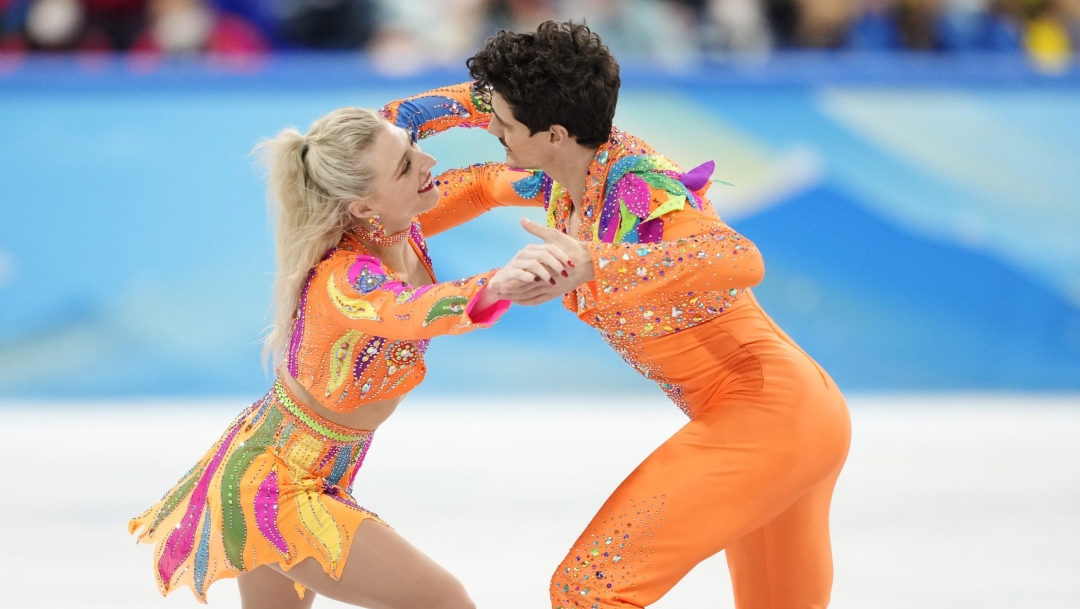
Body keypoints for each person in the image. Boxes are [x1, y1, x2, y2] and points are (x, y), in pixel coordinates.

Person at [381, 21, 852, 609]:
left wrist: (597, 263)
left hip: (773, 415)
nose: (489, 126)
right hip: (790, 416)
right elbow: (475, 180)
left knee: (591, 587)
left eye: (501, 123)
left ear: (553, 132)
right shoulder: (563, 165)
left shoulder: (640, 190)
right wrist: (390, 145)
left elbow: (738, 257)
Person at [128, 106, 561, 608]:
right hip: (277, 487)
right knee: (444, 602)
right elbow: (407, 310)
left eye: (411, 146)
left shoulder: (403, 223)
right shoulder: (344, 279)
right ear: (361, 206)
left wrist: (575, 177)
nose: (428, 158)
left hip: (290, 471)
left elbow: (488, 184)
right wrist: (496, 285)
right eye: (405, 163)